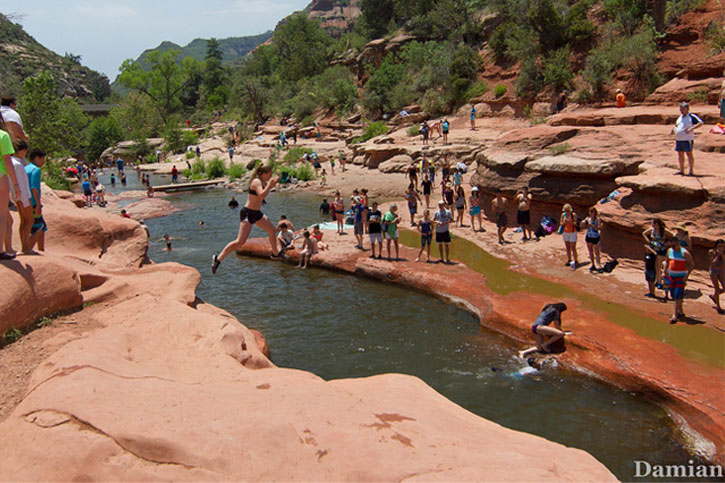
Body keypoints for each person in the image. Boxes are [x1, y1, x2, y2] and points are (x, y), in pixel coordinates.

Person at [211, 166, 282, 274]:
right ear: (262, 173)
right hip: (248, 213)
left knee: (272, 230)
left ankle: (275, 254)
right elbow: (262, 195)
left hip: (256, 213)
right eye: (269, 174)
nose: (270, 176)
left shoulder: (262, 182)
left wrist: (275, 181)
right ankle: (218, 259)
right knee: (240, 241)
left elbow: (264, 195)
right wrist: (270, 185)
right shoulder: (256, 182)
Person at [8, 140, 32, 253]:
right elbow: (20, 184)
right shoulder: (17, 165)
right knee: (29, 220)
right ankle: (26, 247)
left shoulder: (11, 162)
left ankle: (25, 246)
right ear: (22, 151)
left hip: (18, 196)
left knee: (23, 221)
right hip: (23, 196)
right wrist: (24, 200)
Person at [664, 237, 694, 323]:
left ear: (678, 243)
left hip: (681, 277)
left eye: (674, 245)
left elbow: (691, 264)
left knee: (677, 295)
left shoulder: (684, 252)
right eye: (672, 245)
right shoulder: (669, 251)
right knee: (673, 294)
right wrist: (664, 271)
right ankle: (680, 311)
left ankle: (675, 315)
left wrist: (687, 275)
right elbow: (667, 261)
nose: (673, 247)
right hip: (671, 276)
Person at [670, 102, 704, 176]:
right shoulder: (680, 117)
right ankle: (681, 170)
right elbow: (677, 126)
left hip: (687, 139)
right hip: (679, 139)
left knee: (689, 154)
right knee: (680, 154)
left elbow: (701, 123)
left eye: (682, 109)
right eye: (680, 109)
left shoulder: (691, 116)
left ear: (687, 109)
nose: (681, 111)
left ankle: (691, 171)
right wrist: (674, 129)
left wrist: (691, 129)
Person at [25, 148, 46, 252]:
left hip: (26, 202)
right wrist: (38, 204)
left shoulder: (26, 168)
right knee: (39, 227)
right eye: (43, 159)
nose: (43, 162)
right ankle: (27, 248)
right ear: (37, 158)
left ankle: (41, 250)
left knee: (39, 226)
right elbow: (34, 188)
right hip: (33, 202)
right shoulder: (35, 170)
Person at [643, 218, 673, 290]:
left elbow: (673, 236)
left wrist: (667, 243)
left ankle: (659, 282)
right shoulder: (652, 230)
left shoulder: (664, 231)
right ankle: (657, 280)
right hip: (653, 250)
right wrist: (649, 241)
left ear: (657, 224)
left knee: (659, 266)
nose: (652, 225)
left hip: (661, 251)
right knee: (655, 266)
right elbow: (644, 233)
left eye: (653, 223)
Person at [583, 207, 602, 272]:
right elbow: (581, 226)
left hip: (595, 236)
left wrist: (593, 226)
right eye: (589, 212)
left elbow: (599, 228)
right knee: (590, 252)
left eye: (591, 212)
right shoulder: (587, 219)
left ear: (594, 212)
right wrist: (583, 223)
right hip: (589, 236)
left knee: (597, 252)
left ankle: (599, 265)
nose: (590, 213)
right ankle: (593, 265)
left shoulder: (597, 219)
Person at [560, 204, 579, 270]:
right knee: (567, 247)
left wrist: (570, 222)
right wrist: (564, 222)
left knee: (573, 247)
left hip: (572, 232)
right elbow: (561, 223)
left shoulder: (573, 215)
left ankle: (576, 260)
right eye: (566, 210)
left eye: (568, 210)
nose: (567, 212)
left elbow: (575, 224)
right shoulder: (563, 215)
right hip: (565, 232)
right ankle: (569, 259)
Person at [708, 239, 724, 313]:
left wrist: (722, 255)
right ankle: (718, 306)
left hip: (721, 271)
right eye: (720, 246)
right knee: (717, 288)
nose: (721, 247)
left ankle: (714, 296)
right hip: (713, 271)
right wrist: (718, 255)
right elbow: (712, 263)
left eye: (723, 246)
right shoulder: (711, 252)